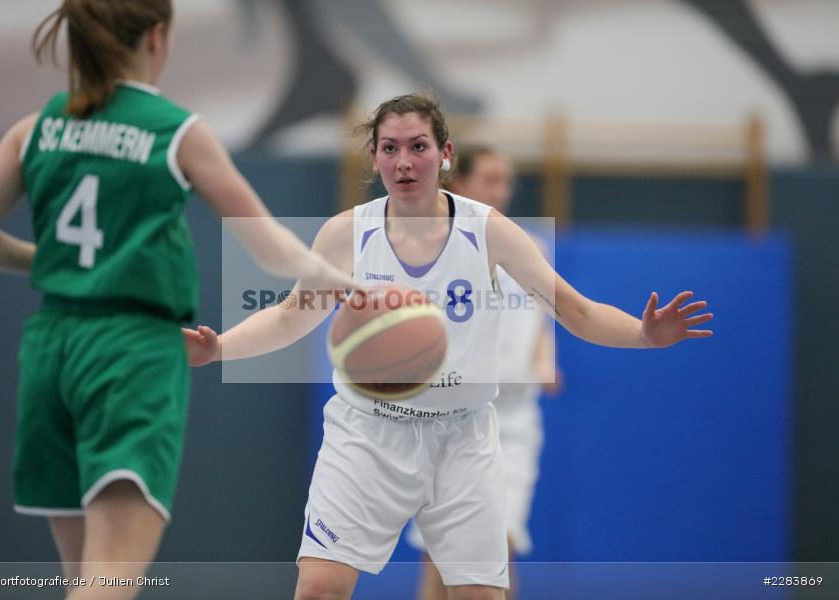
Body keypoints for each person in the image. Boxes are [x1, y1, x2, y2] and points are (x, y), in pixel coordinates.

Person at [185, 93, 713, 600]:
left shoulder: (489, 231)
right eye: (390, 148)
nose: (405, 160)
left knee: (481, 593)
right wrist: (219, 349)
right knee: (320, 589)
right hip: (367, 433)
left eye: (418, 145)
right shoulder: (347, 233)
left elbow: (576, 311)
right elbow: (288, 319)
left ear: (445, 154)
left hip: (462, 437)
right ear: (374, 158)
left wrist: (644, 334)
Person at [0, 1, 353, 599]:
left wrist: (53, 263)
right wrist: (345, 280)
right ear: (158, 37)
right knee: (111, 582)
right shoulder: (174, 128)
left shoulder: (35, 127)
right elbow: (271, 250)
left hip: (51, 348)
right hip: (128, 352)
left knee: (84, 579)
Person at [404, 146, 562, 600]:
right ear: (458, 183)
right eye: (490, 179)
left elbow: (543, 316)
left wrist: (545, 359)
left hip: (512, 423)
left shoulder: (532, 245)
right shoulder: (429, 247)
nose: (501, 190)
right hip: (444, 420)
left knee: (497, 546)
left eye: (506, 180)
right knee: (440, 553)